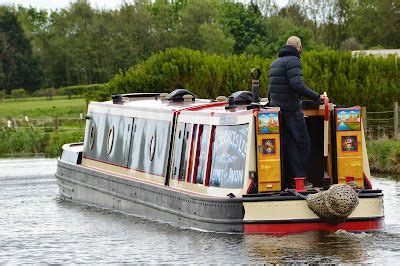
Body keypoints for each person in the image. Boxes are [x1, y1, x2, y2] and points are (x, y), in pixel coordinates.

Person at [268, 36, 326, 188]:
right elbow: (297, 85)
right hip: (292, 110)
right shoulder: (294, 61)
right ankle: (302, 180)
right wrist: (318, 97)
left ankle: (295, 180)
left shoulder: (275, 63)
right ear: (299, 48)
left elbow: (271, 90)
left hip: (278, 112)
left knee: (290, 145)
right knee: (304, 144)